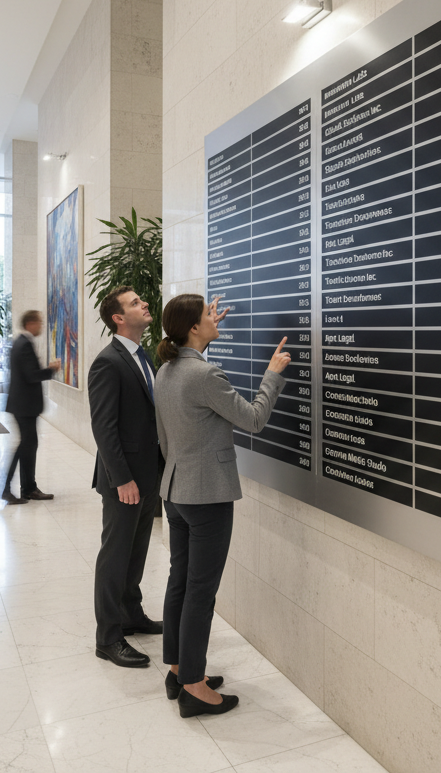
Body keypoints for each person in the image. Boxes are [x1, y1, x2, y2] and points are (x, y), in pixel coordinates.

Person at [155, 293, 290, 717]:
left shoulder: (167, 369)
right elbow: (253, 418)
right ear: (193, 327)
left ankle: (179, 670)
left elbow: (168, 433)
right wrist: (271, 374)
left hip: (176, 491)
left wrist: (201, 332)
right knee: (201, 591)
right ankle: (194, 686)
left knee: (181, 581)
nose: (215, 320)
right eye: (206, 318)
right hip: (207, 495)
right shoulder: (205, 375)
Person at [88, 287, 164, 669]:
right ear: (118, 318)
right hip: (125, 481)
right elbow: (104, 428)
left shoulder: (141, 355)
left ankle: (131, 614)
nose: (144, 304)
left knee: (137, 552)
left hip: (149, 475)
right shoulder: (108, 362)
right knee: (115, 556)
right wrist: (122, 479)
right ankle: (108, 637)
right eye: (135, 303)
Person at [1, 310, 61, 504]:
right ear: (30, 324)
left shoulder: (20, 343)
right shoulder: (24, 345)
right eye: (39, 323)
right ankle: (7, 489)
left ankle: (29, 489)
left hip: (22, 405)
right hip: (24, 406)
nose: (41, 326)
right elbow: (32, 375)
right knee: (25, 446)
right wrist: (51, 369)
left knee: (28, 445)